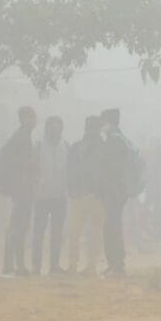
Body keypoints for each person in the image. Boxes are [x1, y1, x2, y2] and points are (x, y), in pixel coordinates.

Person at [0, 106, 39, 276]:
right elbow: (21, 163)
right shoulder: (21, 137)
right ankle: (13, 265)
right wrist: (30, 174)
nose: (34, 120)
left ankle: (15, 264)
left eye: (34, 116)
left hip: (21, 188)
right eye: (30, 117)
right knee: (19, 226)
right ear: (23, 119)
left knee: (19, 226)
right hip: (22, 188)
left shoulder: (22, 136)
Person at [66, 116, 106, 275]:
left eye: (94, 126)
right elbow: (69, 169)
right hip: (78, 195)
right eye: (89, 126)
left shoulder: (104, 148)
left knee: (93, 232)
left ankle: (91, 265)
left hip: (96, 196)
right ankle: (73, 264)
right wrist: (71, 189)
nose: (90, 129)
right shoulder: (76, 147)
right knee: (74, 231)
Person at [100, 108, 135, 277]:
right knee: (113, 225)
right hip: (120, 190)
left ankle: (116, 264)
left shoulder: (113, 140)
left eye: (103, 121)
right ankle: (115, 263)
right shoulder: (123, 139)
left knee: (111, 227)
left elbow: (112, 167)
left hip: (113, 190)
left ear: (108, 122)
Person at [32, 116, 69, 275]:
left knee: (57, 234)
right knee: (38, 233)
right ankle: (36, 266)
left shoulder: (66, 146)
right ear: (47, 129)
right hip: (42, 197)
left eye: (57, 127)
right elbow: (32, 168)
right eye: (52, 127)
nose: (55, 130)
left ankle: (54, 266)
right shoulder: (39, 146)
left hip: (60, 196)